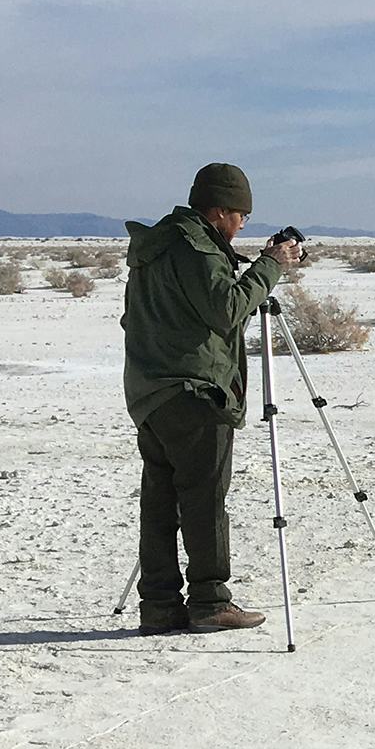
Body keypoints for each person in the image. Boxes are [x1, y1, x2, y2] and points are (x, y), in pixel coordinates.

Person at [121, 162, 302, 634]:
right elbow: (226, 311)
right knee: (203, 500)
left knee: (160, 502)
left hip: (149, 390)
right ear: (220, 211)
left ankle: (159, 606)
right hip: (194, 390)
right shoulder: (197, 249)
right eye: (240, 216)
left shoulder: (158, 243)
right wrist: (271, 266)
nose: (242, 226)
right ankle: (210, 601)